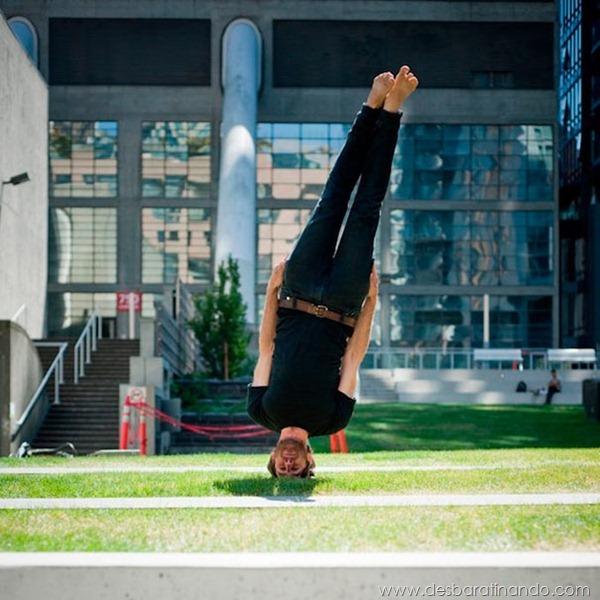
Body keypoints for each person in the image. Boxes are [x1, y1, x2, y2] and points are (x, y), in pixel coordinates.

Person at [247, 66, 419, 477]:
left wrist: (271, 292)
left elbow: (267, 348)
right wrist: (371, 305)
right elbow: (354, 357)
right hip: (344, 301)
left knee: (333, 199)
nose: (289, 463)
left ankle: (371, 106)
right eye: (297, 468)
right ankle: (393, 112)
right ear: (311, 459)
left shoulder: (260, 410)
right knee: (367, 209)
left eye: (281, 468)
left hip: (297, 290)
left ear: (271, 459)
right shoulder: (333, 420)